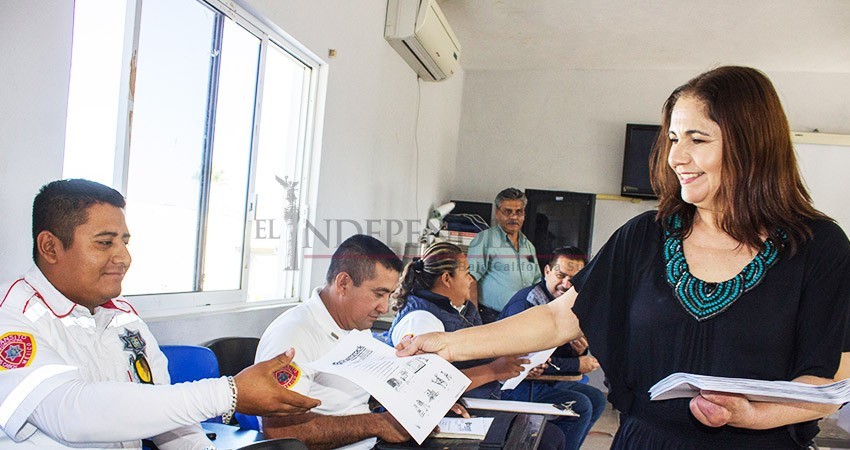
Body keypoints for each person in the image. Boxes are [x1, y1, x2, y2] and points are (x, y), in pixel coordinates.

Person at [397, 66, 850, 449]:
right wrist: (449, 344)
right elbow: (559, 318)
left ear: (753, 144)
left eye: (697, 139)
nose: (676, 157)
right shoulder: (645, 236)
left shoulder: (817, 247)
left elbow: (831, 376)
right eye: (673, 138)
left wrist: (754, 415)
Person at [0, 179, 320, 449]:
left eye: (124, 242)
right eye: (105, 243)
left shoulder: (122, 317)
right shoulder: (12, 316)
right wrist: (230, 393)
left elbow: (169, 422)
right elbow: (70, 413)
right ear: (50, 247)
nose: (123, 258)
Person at [389, 242, 569, 450]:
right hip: (453, 412)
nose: (471, 280)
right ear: (446, 279)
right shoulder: (421, 320)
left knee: (547, 433)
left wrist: (515, 362)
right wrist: (493, 370)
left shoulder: (458, 309)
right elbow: (428, 387)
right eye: (466, 273)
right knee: (545, 438)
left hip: (482, 397)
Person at [256, 235, 419, 449]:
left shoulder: (356, 325)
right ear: (343, 284)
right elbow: (281, 431)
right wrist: (377, 424)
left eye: (389, 295)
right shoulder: (294, 334)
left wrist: (420, 400)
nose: (384, 307)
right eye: (378, 294)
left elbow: (355, 394)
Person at [498, 246, 606, 449]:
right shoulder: (527, 304)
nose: (566, 284)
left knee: (597, 399)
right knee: (581, 406)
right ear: (547, 271)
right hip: (514, 385)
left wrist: (578, 351)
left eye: (574, 279)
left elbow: (556, 352)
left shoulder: (567, 303)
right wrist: (576, 364)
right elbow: (525, 362)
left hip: (546, 380)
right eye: (560, 275)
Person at [467, 188, 541, 323]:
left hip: (521, 319)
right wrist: (474, 318)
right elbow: (470, 279)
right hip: (491, 317)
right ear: (497, 212)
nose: (514, 217)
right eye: (508, 212)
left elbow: (537, 283)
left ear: (524, 214)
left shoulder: (528, 246)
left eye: (519, 212)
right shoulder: (485, 240)